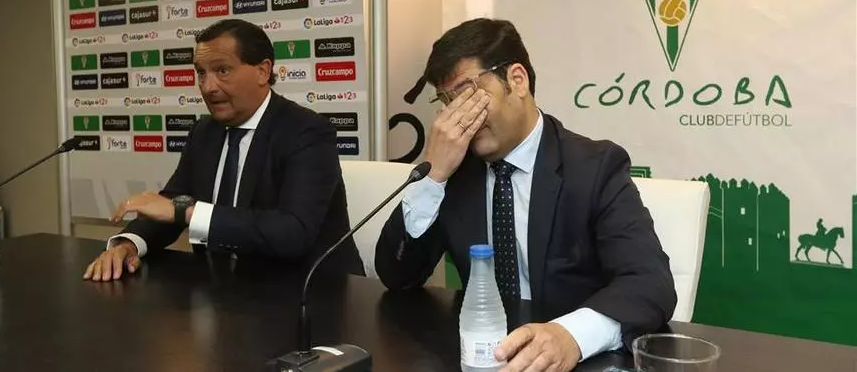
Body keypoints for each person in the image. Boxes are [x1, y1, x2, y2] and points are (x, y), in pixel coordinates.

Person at [374, 18, 676, 371]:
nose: (459, 116)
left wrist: (571, 336)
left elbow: (650, 283)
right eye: (446, 101)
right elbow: (397, 276)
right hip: (482, 358)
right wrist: (433, 176)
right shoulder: (455, 173)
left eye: (467, 94)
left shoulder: (595, 167)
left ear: (517, 80)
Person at [83, 18, 363, 281]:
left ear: (263, 71)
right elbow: (172, 203)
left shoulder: (306, 131)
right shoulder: (204, 132)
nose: (208, 87)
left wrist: (187, 212)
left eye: (222, 71)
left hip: (309, 291)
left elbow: (293, 232)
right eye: (201, 73)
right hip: (223, 290)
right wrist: (128, 244)